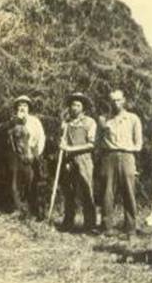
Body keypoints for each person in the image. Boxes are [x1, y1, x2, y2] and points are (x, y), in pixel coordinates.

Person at [99, 90, 143, 237]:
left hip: (127, 156)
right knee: (107, 193)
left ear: (124, 100)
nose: (115, 103)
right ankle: (107, 228)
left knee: (129, 191)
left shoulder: (133, 119)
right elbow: (97, 141)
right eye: (112, 100)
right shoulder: (104, 119)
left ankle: (130, 228)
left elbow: (139, 142)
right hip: (109, 157)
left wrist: (128, 152)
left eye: (118, 100)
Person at [59, 92, 97, 234]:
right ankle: (68, 221)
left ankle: (90, 224)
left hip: (84, 160)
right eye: (72, 105)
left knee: (87, 191)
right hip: (69, 160)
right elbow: (63, 142)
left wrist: (71, 148)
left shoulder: (89, 122)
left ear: (83, 107)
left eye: (78, 105)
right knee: (69, 191)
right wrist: (63, 144)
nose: (74, 108)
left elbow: (91, 144)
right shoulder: (67, 123)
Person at [12, 95, 46, 219]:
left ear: (29, 108)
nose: (22, 108)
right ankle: (20, 209)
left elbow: (41, 137)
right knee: (15, 183)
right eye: (20, 106)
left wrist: (37, 153)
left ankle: (35, 210)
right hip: (16, 157)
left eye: (25, 105)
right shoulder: (13, 121)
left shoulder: (35, 121)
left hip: (32, 154)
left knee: (32, 182)